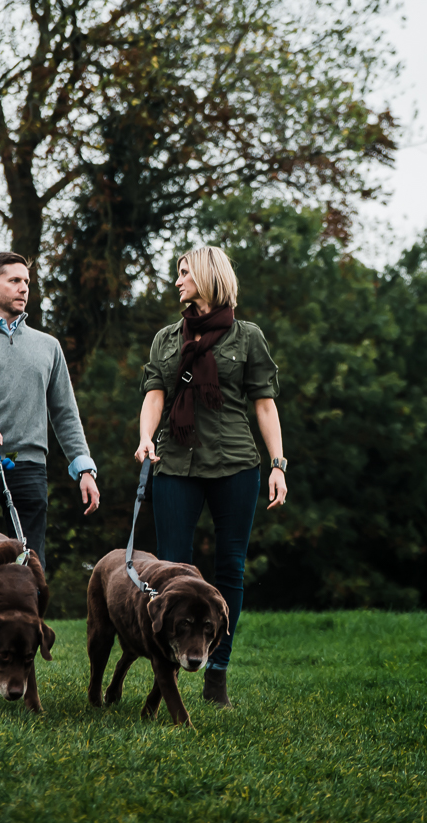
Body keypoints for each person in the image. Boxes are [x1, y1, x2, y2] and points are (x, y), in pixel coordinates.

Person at [135, 245, 288, 708]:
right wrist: (146, 439)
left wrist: (278, 464)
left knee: (230, 569)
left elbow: (264, 403)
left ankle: (217, 672)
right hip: (175, 464)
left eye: (184, 272)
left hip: (236, 464)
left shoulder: (247, 337)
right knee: (171, 570)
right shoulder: (166, 338)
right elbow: (155, 394)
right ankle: (172, 668)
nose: (177, 280)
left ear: (207, 277)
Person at [0, 251, 100, 568]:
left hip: (29, 467)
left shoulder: (48, 346)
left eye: (26, 281)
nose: (24, 288)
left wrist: (84, 468)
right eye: (14, 281)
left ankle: (27, 619)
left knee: (29, 562)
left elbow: (65, 412)